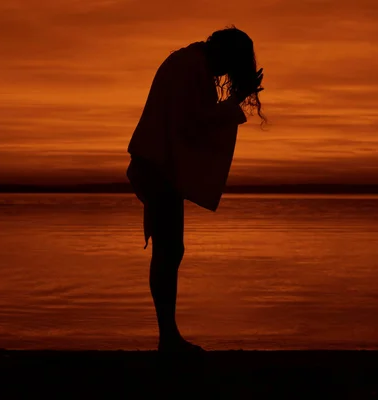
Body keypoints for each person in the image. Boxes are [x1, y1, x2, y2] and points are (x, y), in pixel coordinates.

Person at [126, 26, 265, 352]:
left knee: (170, 250)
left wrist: (233, 102)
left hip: (158, 165)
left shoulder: (189, 63)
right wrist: (235, 102)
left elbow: (189, 126)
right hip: (157, 167)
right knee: (168, 250)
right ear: (225, 54)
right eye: (232, 65)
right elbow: (194, 123)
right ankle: (168, 338)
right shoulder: (191, 67)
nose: (227, 73)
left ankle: (168, 336)